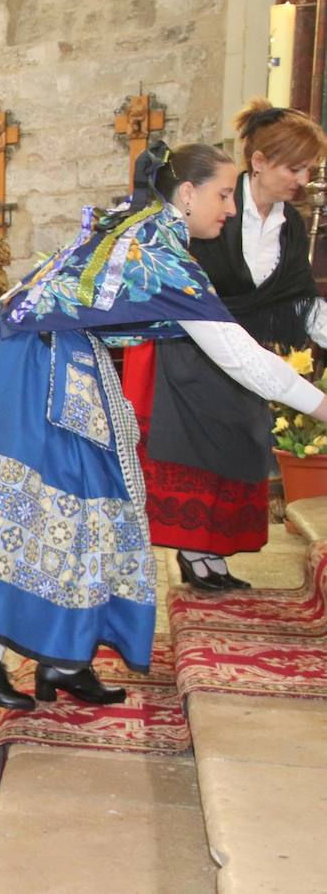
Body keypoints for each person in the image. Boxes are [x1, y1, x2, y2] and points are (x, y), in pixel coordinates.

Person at [0, 143, 327, 711]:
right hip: (25, 359)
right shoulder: (160, 253)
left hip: (50, 352)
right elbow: (241, 358)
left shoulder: (153, 230)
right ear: (187, 193)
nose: (228, 207)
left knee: (95, 502)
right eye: (223, 194)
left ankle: (64, 660)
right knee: (43, 507)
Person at [124, 100, 327, 590]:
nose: (302, 179)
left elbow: (299, 301)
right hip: (192, 345)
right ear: (259, 162)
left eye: (309, 169)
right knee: (195, 454)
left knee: (236, 451)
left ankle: (210, 555)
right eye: (294, 167)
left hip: (244, 346)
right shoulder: (208, 207)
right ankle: (193, 552)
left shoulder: (289, 225)